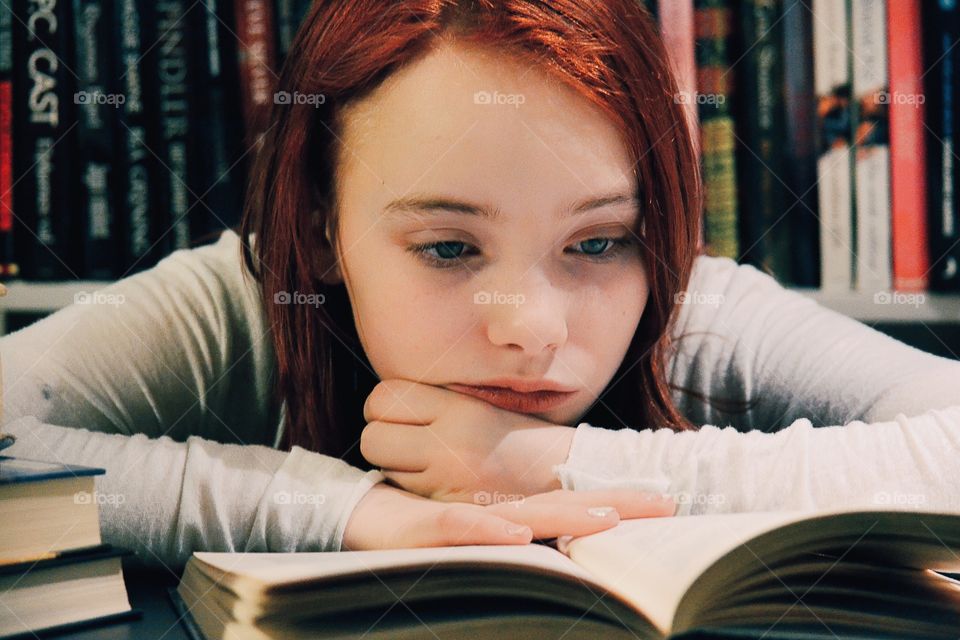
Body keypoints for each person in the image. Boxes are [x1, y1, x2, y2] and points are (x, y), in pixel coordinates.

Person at [3, 0, 959, 572]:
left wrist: (558, 467)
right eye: (449, 248)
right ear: (322, 228)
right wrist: (350, 514)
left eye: (598, 243)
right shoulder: (242, 302)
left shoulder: (693, 311)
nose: (533, 331)